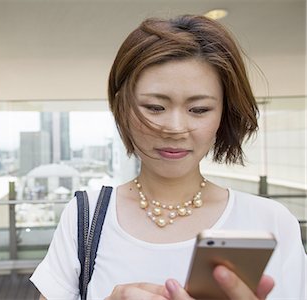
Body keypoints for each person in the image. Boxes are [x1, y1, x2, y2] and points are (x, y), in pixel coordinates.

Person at [30, 15, 306, 299]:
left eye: (198, 109)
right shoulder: (85, 216)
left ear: (224, 113)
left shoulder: (270, 222)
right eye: (154, 107)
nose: (175, 129)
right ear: (122, 108)